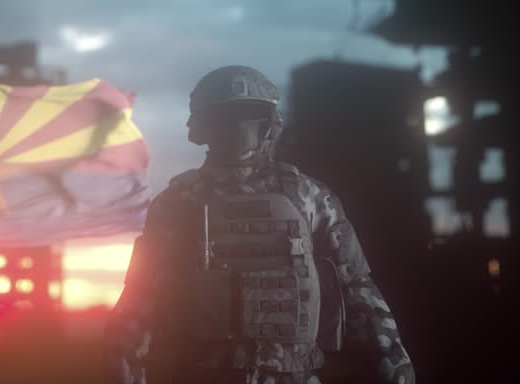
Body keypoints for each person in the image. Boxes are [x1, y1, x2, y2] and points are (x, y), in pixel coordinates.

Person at [104, 66, 415, 384]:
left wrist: (394, 369)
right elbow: (137, 308)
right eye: (227, 116)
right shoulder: (181, 203)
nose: (238, 127)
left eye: (247, 114)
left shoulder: (307, 197)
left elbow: (359, 294)